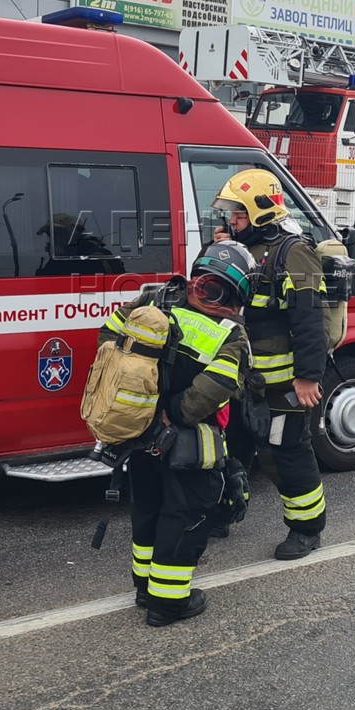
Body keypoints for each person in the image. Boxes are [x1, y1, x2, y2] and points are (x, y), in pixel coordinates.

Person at [101, 241, 254, 627]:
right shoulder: (231, 334)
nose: (204, 293)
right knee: (185, 515)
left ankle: (144, 588)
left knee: (147, 510)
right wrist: (170, 414)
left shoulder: (153, 300)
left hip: (137, 435)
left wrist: (142, 407)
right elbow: (210, 394)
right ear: (239, 296)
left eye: (210, 288)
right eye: (202, 286)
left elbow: (108, 341)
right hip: (188, 444)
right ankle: (168, 603)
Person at [212, 168, 329, 560]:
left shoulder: (293, 252)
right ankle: (223, 512)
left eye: (240, 215)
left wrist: (309, 377)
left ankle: (306, 530)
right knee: (228, 449)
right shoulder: (242, 250)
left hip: (284, 386)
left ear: (261, 212)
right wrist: (219, 253)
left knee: (285, 454)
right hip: (241, 380)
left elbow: (310, 319)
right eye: (231, 215)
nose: (233, 221)